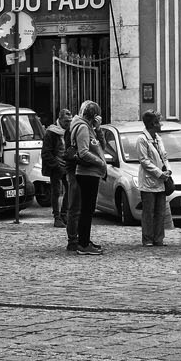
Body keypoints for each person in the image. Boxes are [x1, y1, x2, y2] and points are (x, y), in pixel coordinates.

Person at [67, 101, 108, 256]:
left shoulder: (89, 127)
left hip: (92, 172)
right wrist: (100, 163)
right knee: (86, 210)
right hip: (87, 173)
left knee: (88, 210)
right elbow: (83, 152)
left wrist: (98, 129)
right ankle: (83, 244)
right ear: (94, 115)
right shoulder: (83, 127)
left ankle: (85, 240)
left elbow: (101, 147)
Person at [135, 110, 173, 247]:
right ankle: (148, 239)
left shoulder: (158, 138)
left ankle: (159, 238)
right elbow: (144, 161)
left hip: (161, 180)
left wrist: (168, 169)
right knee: (149, 212)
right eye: (158, 121)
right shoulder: (142, 139)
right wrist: (159, 173)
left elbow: (164, 156)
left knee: (160, 212)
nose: (161, 124)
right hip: (149, 181)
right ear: (153, 123)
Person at [42, 108, 69, 227]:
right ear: (60, 119)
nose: (68, 124)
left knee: (70, 189)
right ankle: (57, 216)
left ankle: (64, 214)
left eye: (70, 121)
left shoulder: (68, 130)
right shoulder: (51, 132)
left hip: (67, 164)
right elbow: (46, 152)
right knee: (56, 191)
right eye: (66, 121)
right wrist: (56, 165)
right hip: (56, 165)